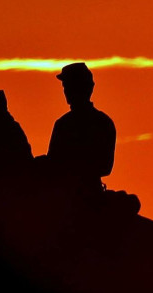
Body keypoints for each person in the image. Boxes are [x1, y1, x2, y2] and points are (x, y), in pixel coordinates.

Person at [47, 62, 116, 202]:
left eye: (68, 86)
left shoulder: (65, 124)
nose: (66, 91)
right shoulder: (103, 122)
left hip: (85, 197)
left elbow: (105, 167)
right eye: (64, 87)